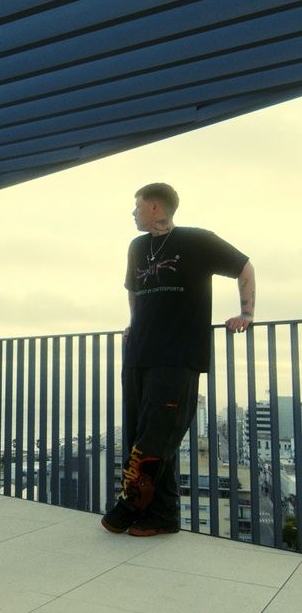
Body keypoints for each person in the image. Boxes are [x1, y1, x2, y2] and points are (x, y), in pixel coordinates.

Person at [101, 182, 255, 537]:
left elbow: (245, 267)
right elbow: (134, 290)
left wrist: (247, 312)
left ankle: (129, 504)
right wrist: (133, 323)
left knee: (157, 435)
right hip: (138, 353)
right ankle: (164, 516)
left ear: (155, 207)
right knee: (140, 434)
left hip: (178, 354)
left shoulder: (198, 241)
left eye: (137, 206)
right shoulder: (137, 247)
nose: (133, 212)